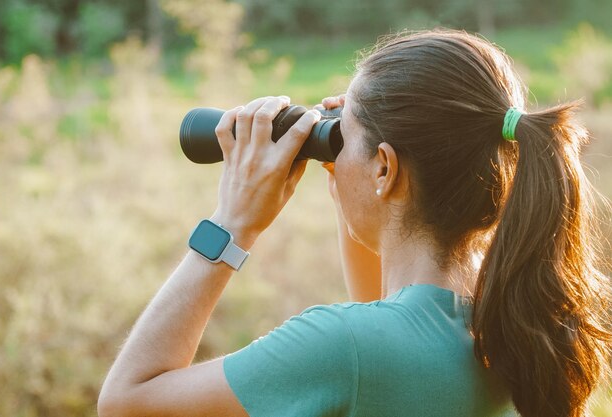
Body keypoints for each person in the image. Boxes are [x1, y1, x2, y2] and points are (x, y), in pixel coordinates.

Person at [97, 28, 611, 417]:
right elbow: (385, 311)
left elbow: (126, 402)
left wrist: (233, 222)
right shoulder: (516, 324)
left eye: (342, 138)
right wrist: (351, 170)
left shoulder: (344, 347)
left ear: (385, 168)